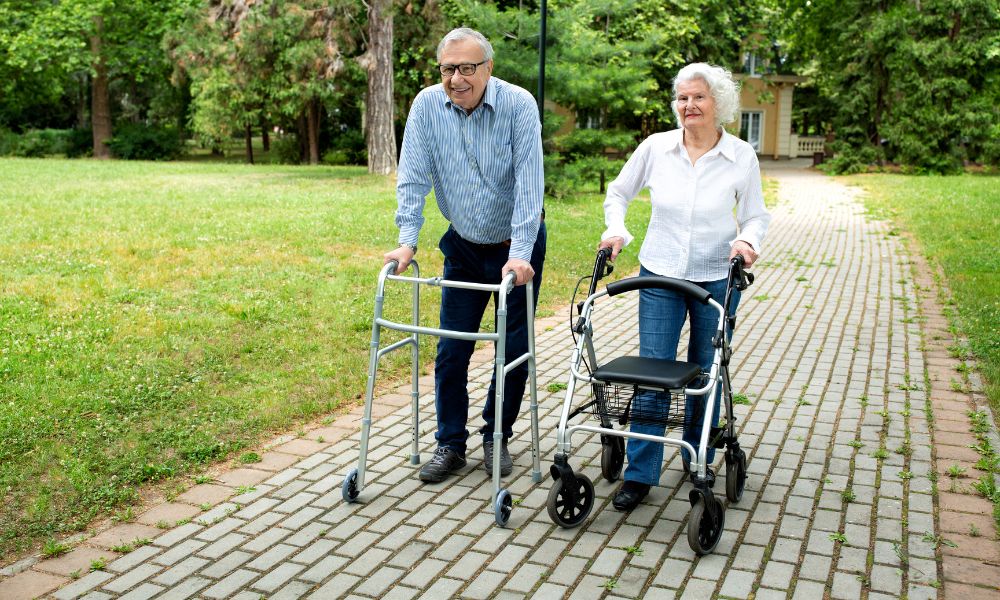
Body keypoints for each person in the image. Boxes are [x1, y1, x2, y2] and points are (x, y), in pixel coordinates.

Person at [599, 62, 771, 511]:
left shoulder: (740, 156)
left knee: (704, 371)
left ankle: (698, 458)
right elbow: (618, 193)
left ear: (719, 104)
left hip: (717, 274)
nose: (688, 105)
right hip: (660, 272)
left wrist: (747, 241)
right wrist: (617, 230)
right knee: (653, 371)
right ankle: (640, 474)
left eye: (698, 97)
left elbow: (755, 214)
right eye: (682, 98)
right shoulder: (656, 148)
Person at [384, 27, 545, 483]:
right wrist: (407, 240)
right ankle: (450, 444)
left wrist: (518, 255)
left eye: (467, 68)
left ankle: (497, 436)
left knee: (513, 348)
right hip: (464, 245)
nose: (457, 78)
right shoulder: (426, 106)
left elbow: (530, 187)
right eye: (448, 69)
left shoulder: (518, 105)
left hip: (519, 245)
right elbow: (413, 178)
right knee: (452, 350)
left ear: (488, 69)